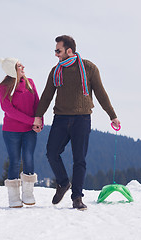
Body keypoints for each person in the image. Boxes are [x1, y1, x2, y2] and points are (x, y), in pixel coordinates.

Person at [33, 35, 120, 210]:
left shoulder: (89, 68)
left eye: (58, 50)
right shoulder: (56, 71)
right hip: (61, 118)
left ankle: (77, 197)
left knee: (79, 159)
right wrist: (38, 116)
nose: (56, 54)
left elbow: (101, 94)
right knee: (51, 153)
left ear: (69, 50)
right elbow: (47, 95)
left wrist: (112, 115)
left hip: (82, 118)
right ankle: (64, 182)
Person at [0, 57, 42, 208]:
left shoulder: (29, 82)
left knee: (28, 158)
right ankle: (13, 197)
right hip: (11, 131)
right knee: (14, 161)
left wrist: (39, 121)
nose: (23, 67)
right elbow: (9, 111)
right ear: (12, 70)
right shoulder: (3, 87)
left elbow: (37, 103)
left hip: (30, 130)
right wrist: (32, 121)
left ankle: (28, 194)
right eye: (19, 66)